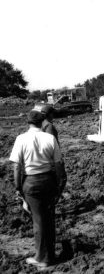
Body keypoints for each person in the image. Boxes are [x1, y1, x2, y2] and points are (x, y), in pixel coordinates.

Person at [9, 110, 67, 269]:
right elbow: (59, 164)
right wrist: (60, 184)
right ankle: (49, 254)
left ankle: (42, 258)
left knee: (38, 221)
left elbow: (16, 167)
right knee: (48, 219)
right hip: (48, 181)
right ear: (43, 122)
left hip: (31, 182)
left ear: (27, 123)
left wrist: (18, 187)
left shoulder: (21, 139)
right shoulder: (50, 138)